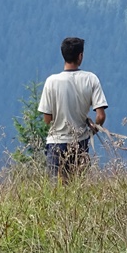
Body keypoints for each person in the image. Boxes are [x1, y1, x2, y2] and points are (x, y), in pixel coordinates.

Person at [38, 36, 108, 182]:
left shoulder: (51, 82)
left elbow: (47, 119)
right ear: (80, 56)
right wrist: (92, 130)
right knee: (77, 190)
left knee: (55, 192)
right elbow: (101, 116)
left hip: (56, 143)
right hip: (80, 142)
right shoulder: (91, 79)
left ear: (63, 55)